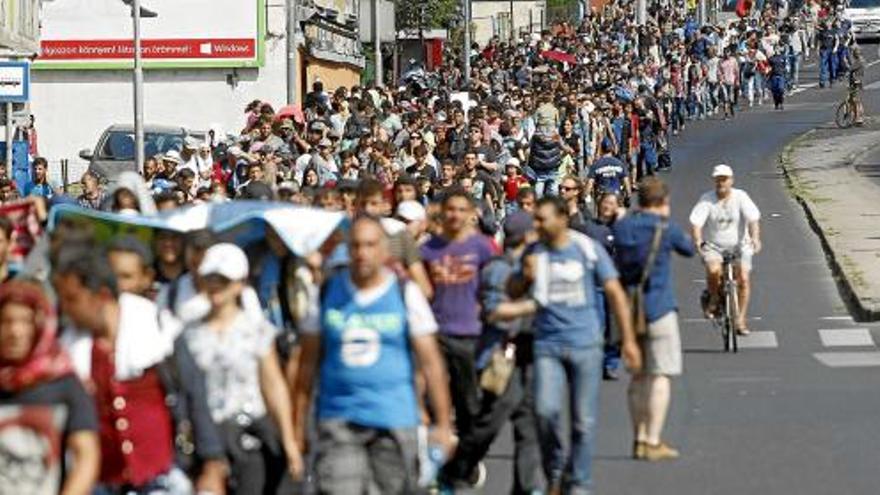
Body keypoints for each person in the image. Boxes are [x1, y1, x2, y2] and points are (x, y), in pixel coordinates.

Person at [293, 216, 454, 493]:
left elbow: (432, 363)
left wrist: (442, 424)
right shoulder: (327, 293)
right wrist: (297, 429)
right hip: (338, 422)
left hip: (394, 422)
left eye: (370, 245)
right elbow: (305, 366)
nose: (362, 253)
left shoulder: (406, 294)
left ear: (384, 251)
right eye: (355, 246)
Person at [53, 246, 227, 495]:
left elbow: (194, 393)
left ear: (101, 296)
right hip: (102, 481)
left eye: (72, 299)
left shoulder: (156, 326)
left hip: (163, 477)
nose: (66, 308)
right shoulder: (68, 346)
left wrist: (212, 465)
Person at [509, 196, 641, 495]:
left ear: (562, 218)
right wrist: (523, 276)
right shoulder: (533, 252)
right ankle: (555, 469)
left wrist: (628, 341)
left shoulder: (586, 248)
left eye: (542, 219)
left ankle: (579, 482)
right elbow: (512, 290)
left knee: (583, 421)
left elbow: (615, 293)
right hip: (547, 344)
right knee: (545, 411)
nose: (537, 225)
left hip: (585, 344)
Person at [182, 243, 303, 494]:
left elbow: (273, 386)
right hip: (207, 442)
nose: (215, 286)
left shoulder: (256, 329)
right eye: (210, 278)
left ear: (239, 284)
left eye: (223, 280)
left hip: (249, 438)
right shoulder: (189, 333)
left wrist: (289, 442)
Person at [444, 211, 542, 493]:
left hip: (525, 356)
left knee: (528, 424)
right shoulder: (499, 270)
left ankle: (526, 486)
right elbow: (494, 313)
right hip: (500, 357)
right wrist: (535, 305)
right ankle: (457, 469)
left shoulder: (531, 266)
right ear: (526, 236)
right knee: (488, 423)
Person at [612, 177, 695, 461]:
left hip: (629, 311)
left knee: (636, 377)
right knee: (660, 375)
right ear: (663, 202)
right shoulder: (666, 228)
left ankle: (637, 437)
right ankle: (652, 439)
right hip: (659, 307)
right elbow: (688, 249)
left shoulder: (623, 227)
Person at [420, 189, 496, 487]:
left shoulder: (482, 247)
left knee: (469, 407)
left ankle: (464, 464)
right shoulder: (428, 249)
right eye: (449, 209)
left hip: (470, 336)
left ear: (470, 213)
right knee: (435, 404)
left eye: (461, 210)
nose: (454, 215)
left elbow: (494, 285)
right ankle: (439, 468)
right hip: (435, 337)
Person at [0, 281, 99, 495]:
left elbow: (86, 455)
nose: (15, 331)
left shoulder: (63, 382)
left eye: (25, 321)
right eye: (6, 321)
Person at [689, 164, 762, 335]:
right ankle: (714, 297)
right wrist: (698, 241)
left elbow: (753, 219)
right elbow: (696, 223)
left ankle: (740, 319)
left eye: (724, 179)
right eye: (718, 179)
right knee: (714, 270)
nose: (721, 183)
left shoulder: (741, 197)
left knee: (743, 278)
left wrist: (755, 238)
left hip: (740, 245)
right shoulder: (707, 199)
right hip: (715, 246)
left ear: (731, 180)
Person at [848, 46, 865, 126]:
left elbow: (850, 69)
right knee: (856, 100)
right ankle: (858, 117)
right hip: (858, 82)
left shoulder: (858, 62)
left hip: (856, 82)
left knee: (855, 101)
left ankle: (858, 118)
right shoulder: (861, 61)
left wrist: (845, 61)